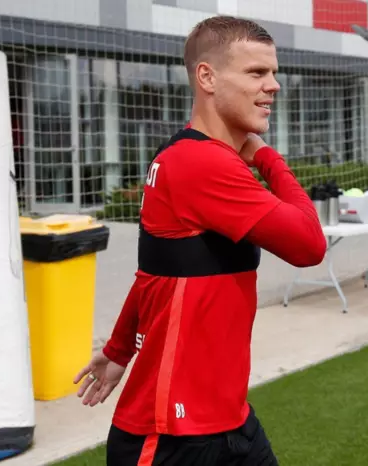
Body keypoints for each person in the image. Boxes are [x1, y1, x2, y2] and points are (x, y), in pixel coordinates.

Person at [73, 15, 327, 466]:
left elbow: (157, 271)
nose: (273, 85)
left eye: (273, 72)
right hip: (171, 437)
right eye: (257, 72)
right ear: (207, 77)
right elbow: (308, 244)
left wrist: (117, 350)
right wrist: (267, 158)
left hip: (228, 420)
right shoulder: (201, 164)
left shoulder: (183, 155)